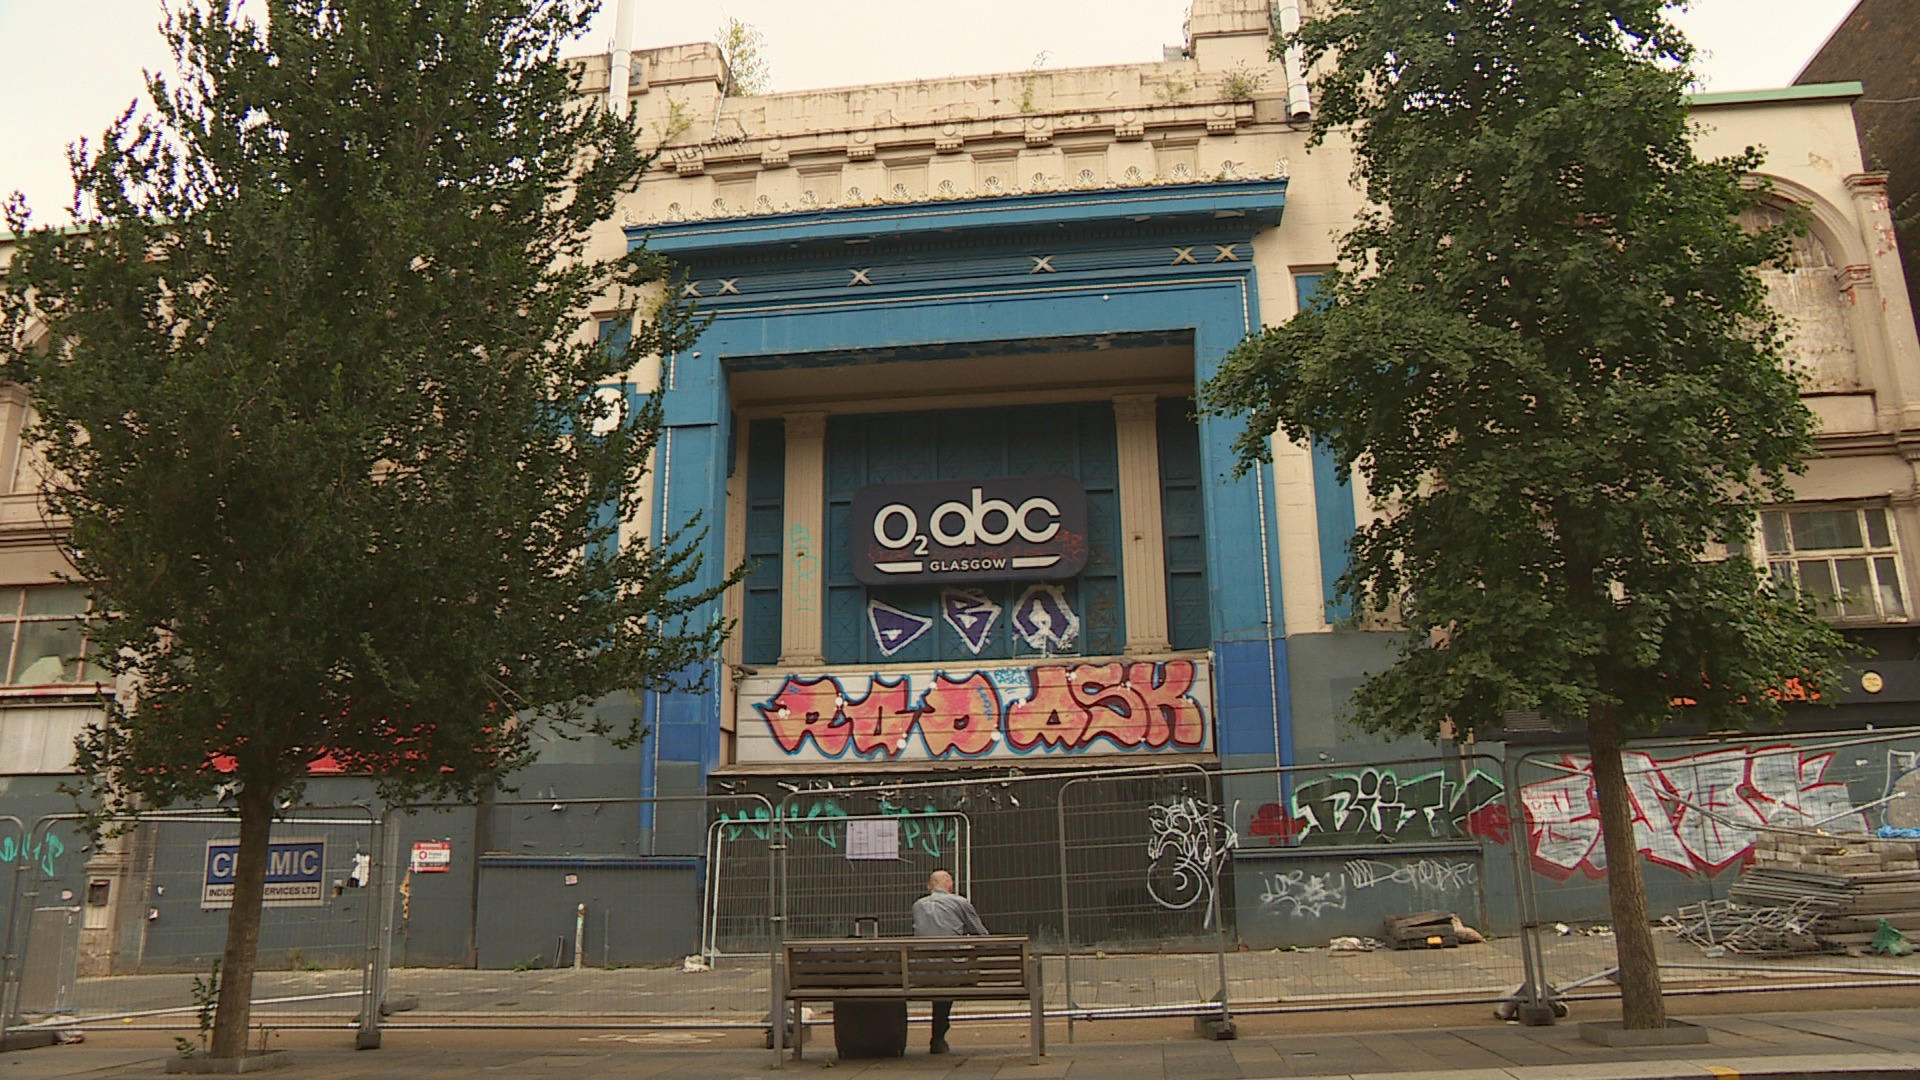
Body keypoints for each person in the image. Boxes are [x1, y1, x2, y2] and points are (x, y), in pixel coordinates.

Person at [911, 869, 986, 1054]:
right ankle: (938, 1036)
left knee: (938, 972)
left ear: (930, 886)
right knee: (948, 973)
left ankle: (938, 1036)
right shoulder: (960, 903)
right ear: (950, 885)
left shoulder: (918, 905)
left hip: (921, 973)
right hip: (952, 972)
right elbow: (982, 935)